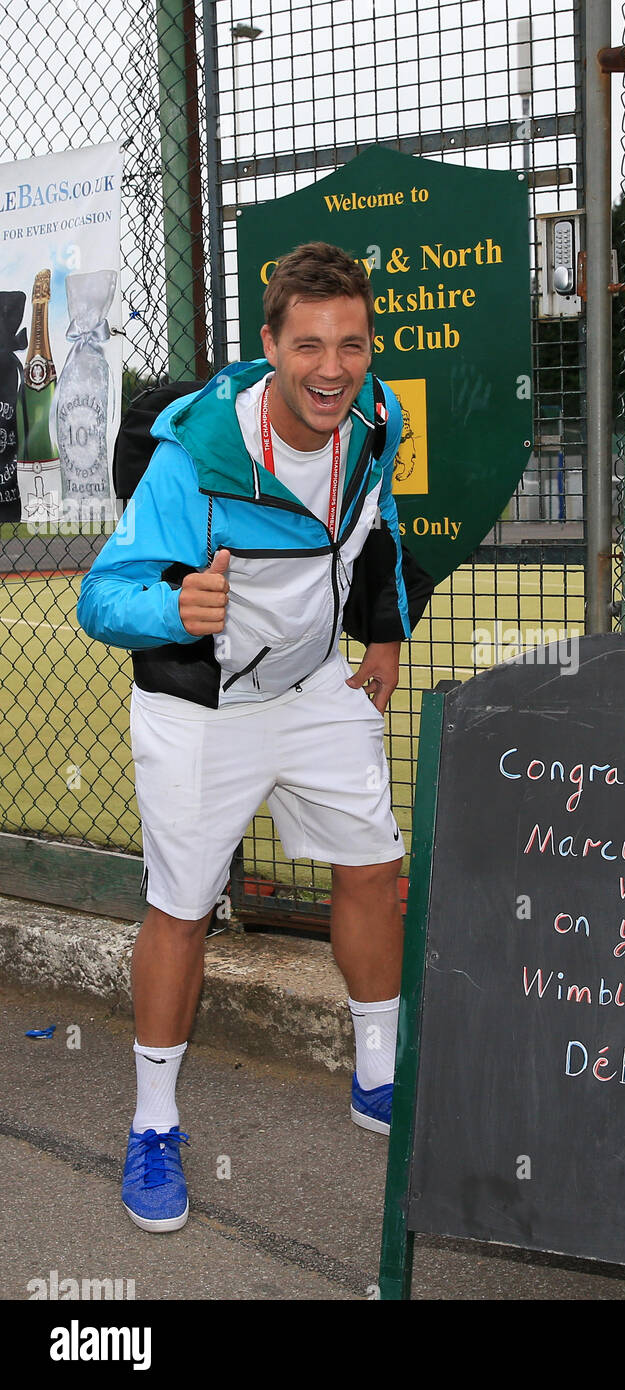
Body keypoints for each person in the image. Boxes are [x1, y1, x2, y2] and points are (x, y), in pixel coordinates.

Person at [77, 241, 432, 1233]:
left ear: (368, 346)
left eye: (351, 344)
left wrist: (388, 636)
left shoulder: (377, 418)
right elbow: (102, 597)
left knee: (373, 866)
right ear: (270, 344)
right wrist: (175, 604)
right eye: (309, 344)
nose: (332, 368)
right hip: (203, 711)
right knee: (182, 909)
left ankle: (378, 1078)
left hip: (315, 688)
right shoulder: (197, 458)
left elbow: (379, 527)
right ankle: (153, 1127)